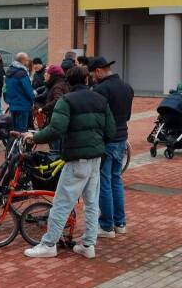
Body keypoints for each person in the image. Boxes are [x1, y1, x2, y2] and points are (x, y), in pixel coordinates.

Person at [24, 66, 115, 259]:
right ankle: (88, 245)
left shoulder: (66, 101)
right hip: (95, 159)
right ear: (87, 80)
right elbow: (111, 131)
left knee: (61, 203)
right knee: (91, 204)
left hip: (76, 159)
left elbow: (55, 129)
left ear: (69, 82)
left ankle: (49, 244)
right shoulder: (100, 100)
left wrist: (35, 138)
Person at [89, 56, 134, 237]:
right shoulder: (127, 87)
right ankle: (120, 223)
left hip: (106, 140)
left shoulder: (101, 90)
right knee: (116, 180)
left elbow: (97, 118)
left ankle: (107, 225)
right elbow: (128, 115)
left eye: (93, 74)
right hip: (122, 138)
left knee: (104, 182)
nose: (92, 78)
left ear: (98, 71)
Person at [4, 52, 35, 132]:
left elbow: (5, 88)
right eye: (27, 60)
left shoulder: (9, 72)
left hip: (12, 105)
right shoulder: (22, 74)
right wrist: (32, 100)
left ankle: (12, 144)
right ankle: (19, 144)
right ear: (23, 61)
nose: (28, 62)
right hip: (23, 106)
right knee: (22, 131)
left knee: (14, 130)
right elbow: (28, 91)